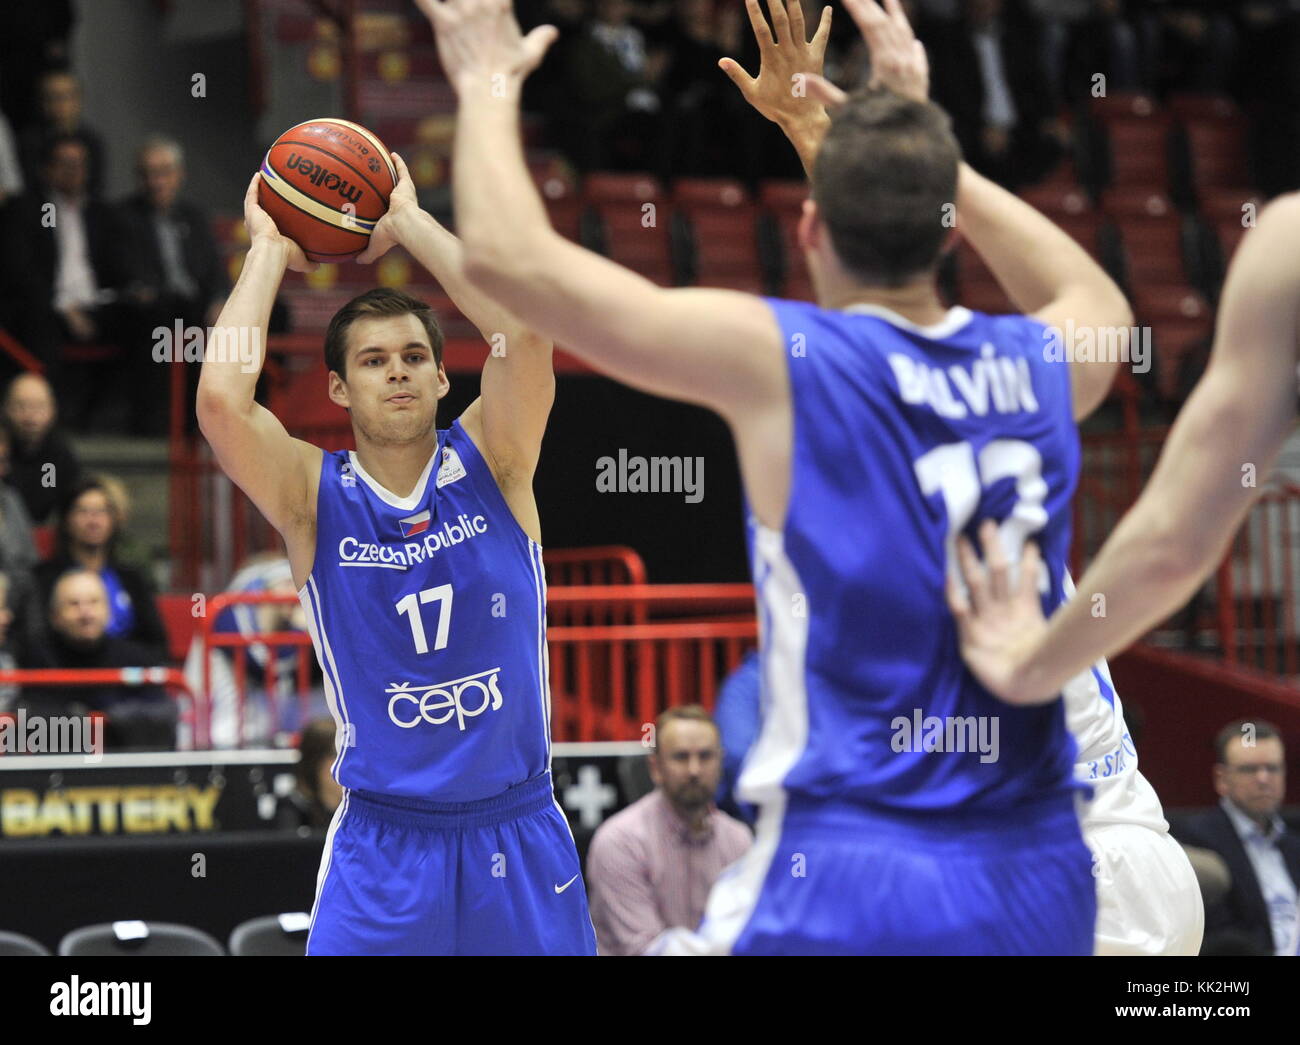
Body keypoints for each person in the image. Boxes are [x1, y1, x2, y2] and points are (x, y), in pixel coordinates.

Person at [419, 0, 1130, 954]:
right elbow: (1099, 296)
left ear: (806, 232)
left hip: (855, 861)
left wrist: (484, 75)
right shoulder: (1049, 358)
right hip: (1040, 864)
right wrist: (912, 146)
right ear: (949, 228)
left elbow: (512, 261)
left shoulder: (791, 361)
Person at [723, 0, 1201, 957]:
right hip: (1127, 851)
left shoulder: (867, 508)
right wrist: (863, 136)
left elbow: (877, 328)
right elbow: (905, 317)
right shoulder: (995, 426)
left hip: (1029, 867)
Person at [197, 154, 595, 955]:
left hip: (514, 828)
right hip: (385, 844)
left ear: (446, 378)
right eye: (374, 362)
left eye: (414, 356)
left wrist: (407, 222)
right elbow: (219, 401)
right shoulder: (312, 496)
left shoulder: (499, 460)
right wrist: (270, 247)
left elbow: (522, 332)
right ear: (340, 389)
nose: (398, 373)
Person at [585, 706, 752, 954]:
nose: (694, 770)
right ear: (655, 768)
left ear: (720, 763)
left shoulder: (739, 840)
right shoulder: (619, 840)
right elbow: (644, 950)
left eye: (705, 756)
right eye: (681, 757)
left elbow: (746, 935)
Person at [116, 136, 230, 435]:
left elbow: (215, 272)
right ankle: (179, 423)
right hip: (154, 309)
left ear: (180, 175)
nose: (157, 182)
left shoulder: (194, 216)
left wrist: (220, 298)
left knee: (273, 313)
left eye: (164, 172)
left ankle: (255, 410)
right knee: (174, 314)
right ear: (139, 178)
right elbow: (126, 271)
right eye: (149, 173)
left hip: (198, 307)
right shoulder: (125, 216)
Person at [1170, 720, 1300, 956]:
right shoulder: (1195, 841)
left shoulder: (1293, 845)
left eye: (1272, 768)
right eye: (1249, 769)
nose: (1263, 779)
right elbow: (1218, 941)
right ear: (1222, 779)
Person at [18, 568, 174, 750]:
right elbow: (33, 722)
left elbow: (159, 718)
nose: (86, 613)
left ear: (109, 611)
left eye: (94, 602)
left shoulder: (138, 658)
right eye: (73, 604)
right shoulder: (34, 659)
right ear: (55, 617)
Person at [28, 476, 168, 664]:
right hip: (61, 678)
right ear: (67, 519)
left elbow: (156, 644)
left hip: (124, 680)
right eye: (83, 511)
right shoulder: (43, 577)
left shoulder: (132, 578)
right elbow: (34, 642)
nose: (93, 520)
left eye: (101, 512)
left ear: (113, 519)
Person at [2, 372, 83, 524]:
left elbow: (64, 504)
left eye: (38, 406)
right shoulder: (2, 452)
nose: (30, 416)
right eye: (21, 406)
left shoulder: (59, 457)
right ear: (6, 409)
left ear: (52, 410)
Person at [276, 717, 345, 831]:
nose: (345, 762)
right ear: (316, 762)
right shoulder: (293, 809)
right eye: (337, 754)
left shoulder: (357, 812)